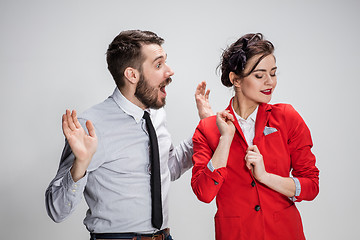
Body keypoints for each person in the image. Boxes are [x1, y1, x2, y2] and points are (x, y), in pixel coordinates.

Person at [45, 30, 213, 240]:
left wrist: (207, 128)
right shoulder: (90, 126)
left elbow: (168, 168)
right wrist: (80, 165)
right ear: (132, 75)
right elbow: (57, 211)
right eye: (159, 65)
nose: (169, 71)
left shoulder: (157, 114)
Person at [191, 33, 319, 240]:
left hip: (285, 233)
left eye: (273, 73)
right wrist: (225, 140)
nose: (270, 82)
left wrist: (265, 177)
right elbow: (204, 193)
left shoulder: (287, 118)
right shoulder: (208, 128)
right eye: (260, 75)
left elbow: (311, 185)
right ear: (236, 79)